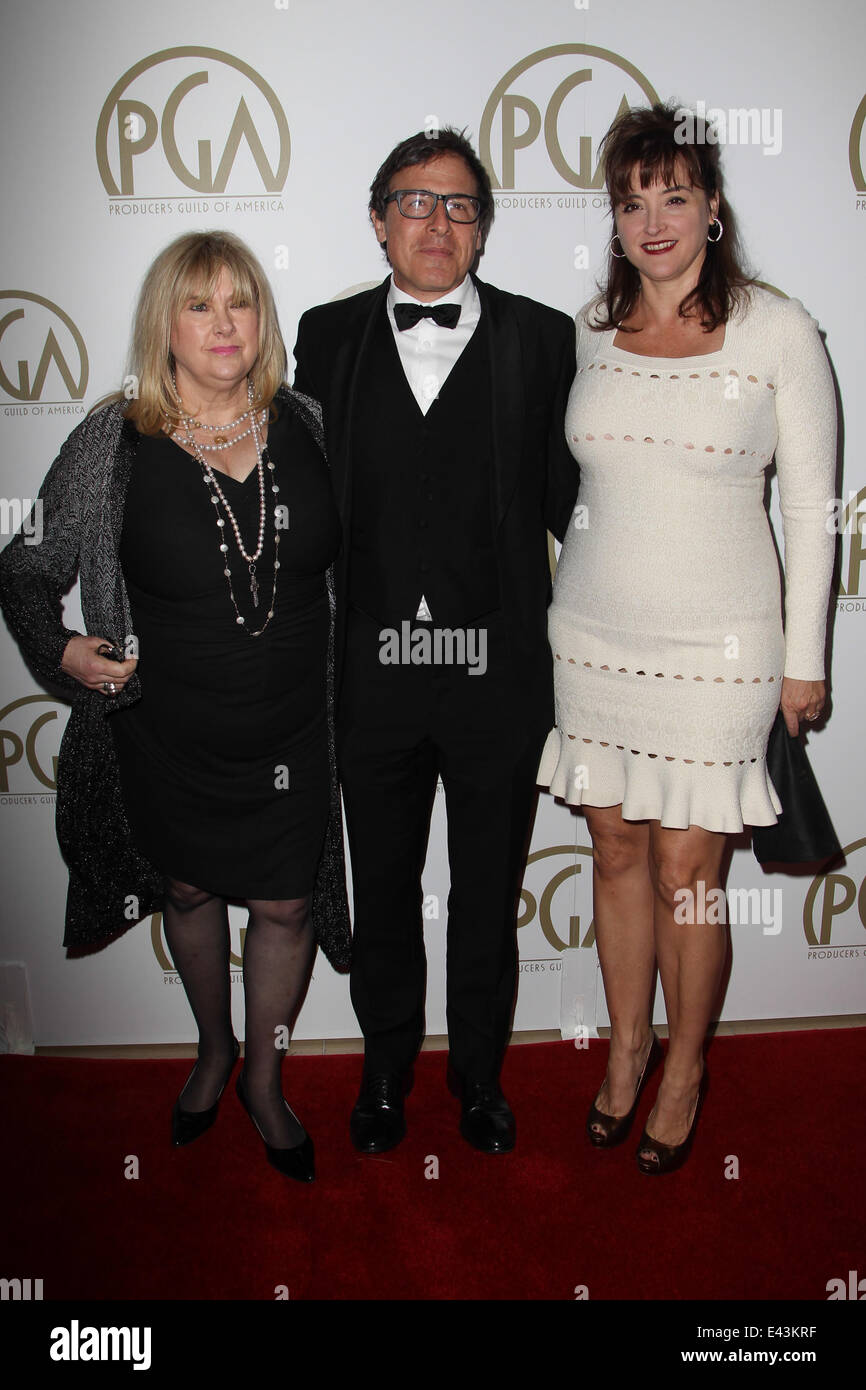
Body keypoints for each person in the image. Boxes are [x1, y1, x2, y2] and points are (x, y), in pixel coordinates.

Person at [0, 231, 351, 1183]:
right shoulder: (112, 440)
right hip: (165, 734)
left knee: (285, 904)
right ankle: (213, 1050)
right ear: (166, 323)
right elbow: (26, 568)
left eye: (239, 301)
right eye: (198, 304)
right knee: (188, 890)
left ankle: (266, 1082)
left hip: (293, 730)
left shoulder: (311, 424)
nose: (223, 322)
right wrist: (61, 648)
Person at [538, 103, 836, 1173]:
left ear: (711, 207)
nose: (652, 219)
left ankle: (685, 1067)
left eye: (673, 195)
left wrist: (804, 660)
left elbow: (809, 508)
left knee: (685, 870)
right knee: (611, 848)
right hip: (589, 636)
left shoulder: (776, 330)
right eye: (630, 200)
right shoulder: (584, 329)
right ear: (612, 219)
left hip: (719, 651)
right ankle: (623, 1052)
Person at [293, 127, 578, 1155]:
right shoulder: (322, 337)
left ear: (482, 229)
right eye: (413, 201)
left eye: (458, 204)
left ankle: (477, 1079)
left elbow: (577, 509)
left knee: (483, 899)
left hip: (495, 678)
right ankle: (381, 1074)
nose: (435, 221)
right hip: (372, 675)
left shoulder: (542, 339)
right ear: (377, 221)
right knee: (382, 885)